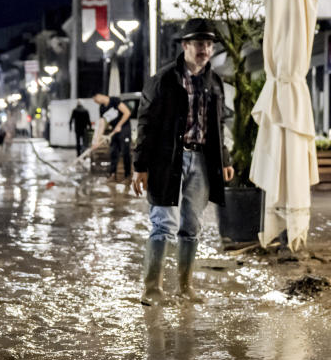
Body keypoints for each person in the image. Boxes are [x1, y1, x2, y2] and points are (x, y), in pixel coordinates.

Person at [131, 18, 234, 306]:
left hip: (201, 160)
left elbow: (219, 124)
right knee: (163, 223)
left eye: (209, 44)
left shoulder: (214, 82)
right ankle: (152, 289)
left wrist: (224, 159)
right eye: (199, 43)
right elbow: (146, 123)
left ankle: (185, 287)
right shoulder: (164, 79)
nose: (205, 49)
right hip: (168, 161)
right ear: (185, 46)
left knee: (192, 226)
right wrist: (140, 167)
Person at [93, 93, 132, 180]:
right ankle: (112, 174)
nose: (96, 102)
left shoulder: (114, 100)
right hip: (114, 131)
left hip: (124, 128)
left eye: (96, 100)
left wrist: (119, 125)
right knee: (113, 152)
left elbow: (127, 112)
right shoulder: (102, 108)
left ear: (100, 95)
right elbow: (102, 124)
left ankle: (127, 175)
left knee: (125, 152)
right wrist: (97, 141)